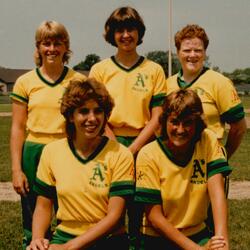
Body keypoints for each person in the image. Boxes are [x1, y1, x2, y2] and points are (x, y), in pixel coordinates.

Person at [89, 7, 166, 249]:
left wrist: (133, 148)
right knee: (109, 205)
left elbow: (158, 115)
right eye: (119, 30)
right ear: (111, 34)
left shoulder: (154, 70)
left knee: (141, 208)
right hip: (107, 142)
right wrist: (115, 145)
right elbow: (95, 113)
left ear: (139, 32)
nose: (125, 35)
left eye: (130, 29)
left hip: (144, 143)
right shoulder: (100, 70)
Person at [27, 79, 134, 250]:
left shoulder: (120, 154)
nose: (92, 119)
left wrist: (69, 248)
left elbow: (115, 216)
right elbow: (43, 205)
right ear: (70, 116)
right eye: (83, 111)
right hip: (64, 237)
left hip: (109, 240)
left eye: (98, 111)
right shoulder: (51, 151)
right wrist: (38, 239)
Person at [10, 20, 86, 249]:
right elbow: (18, 127)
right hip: (35, 150)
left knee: (69, 207)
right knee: (34, 213)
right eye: (46, 43)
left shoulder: (78, 81)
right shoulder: (25, 82)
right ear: (38, 47)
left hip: (67, 149)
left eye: (57, 43)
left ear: (66, 47)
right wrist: (16, 169)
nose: (51, 49)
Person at [135, 89, 231, 250]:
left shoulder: (207, 141)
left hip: (197, 233)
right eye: (174, 122)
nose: (180, 129)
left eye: (187, 123)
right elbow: (155, 217)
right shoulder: (149, 154)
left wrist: (221, 241)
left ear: (197, 123)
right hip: (157, 238)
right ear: (164, 121)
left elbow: (217, 194)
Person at [166, 24, 246, 160]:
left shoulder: (220, 82)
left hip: (209, 159)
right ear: (178, 52)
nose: (192, 55)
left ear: (204, 53)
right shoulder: (167, 84)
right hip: (175, 162)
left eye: (198, 50)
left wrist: (224, 156)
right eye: (187, 50)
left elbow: (239, 127)